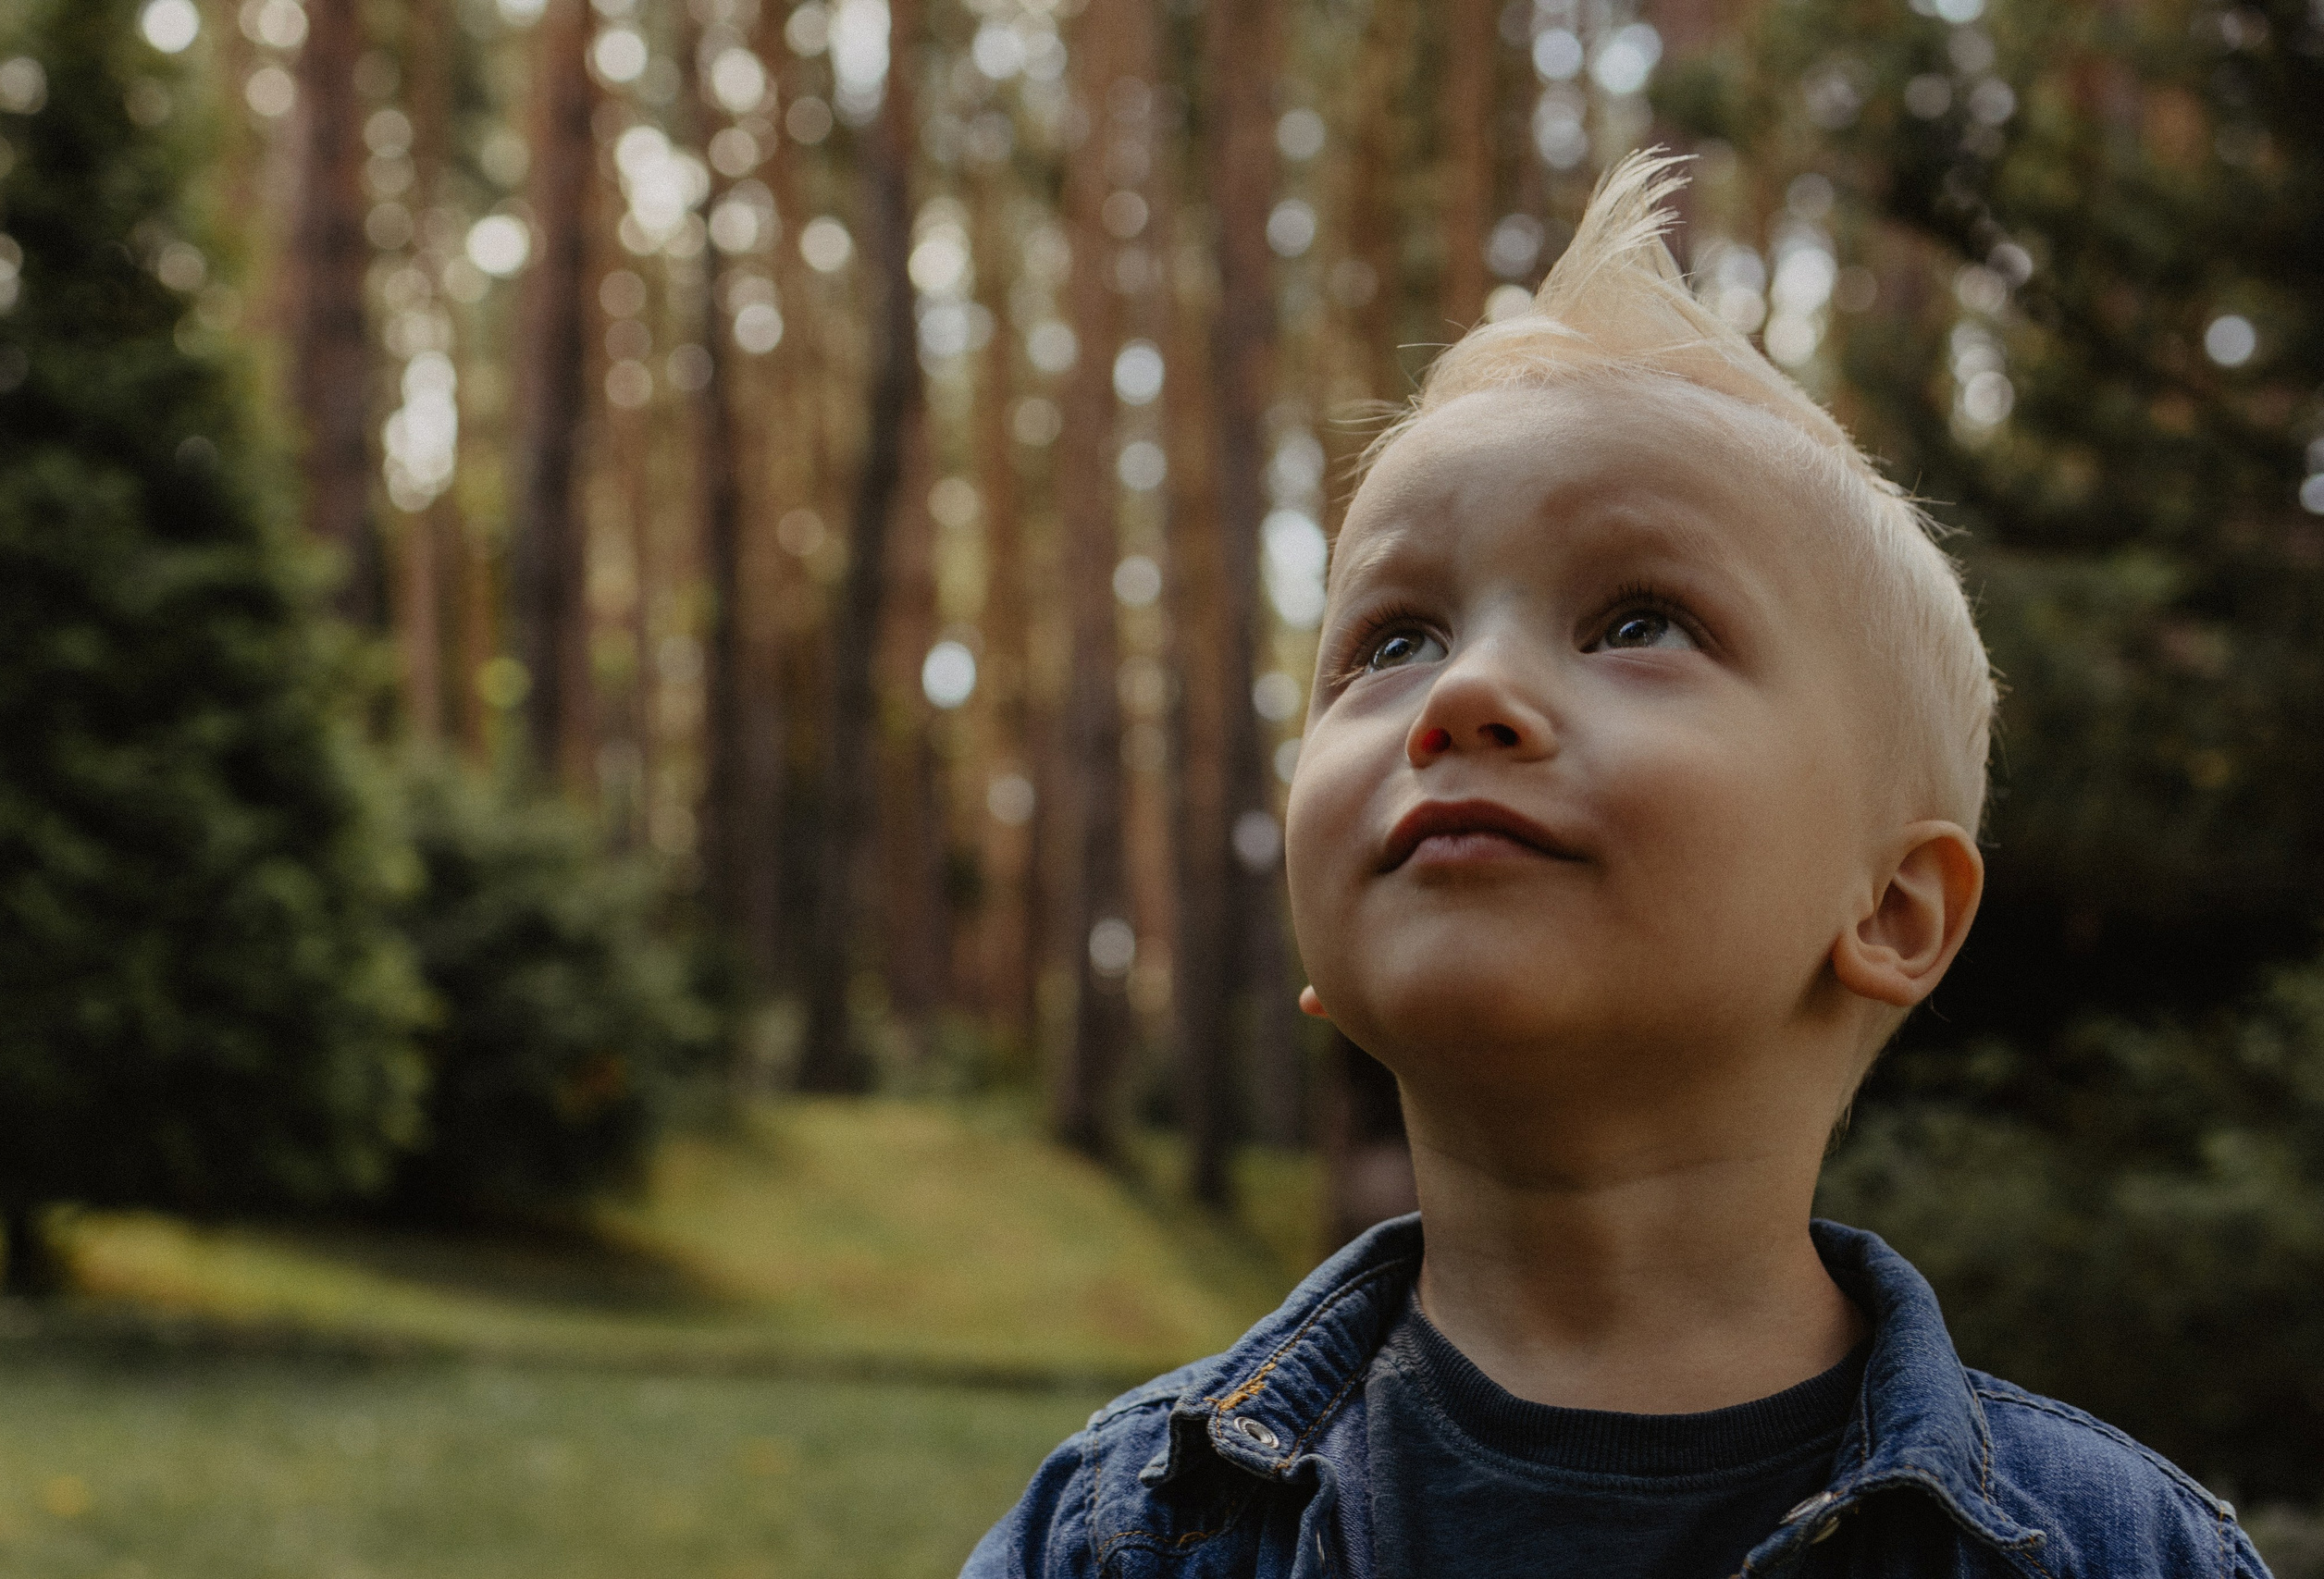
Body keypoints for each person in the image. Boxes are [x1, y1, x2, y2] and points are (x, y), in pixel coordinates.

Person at [962, 152, 2271, 1579]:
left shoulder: (2122, 1553)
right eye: (1394, 640)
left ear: (1894, 911)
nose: (1466, 691)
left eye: (1638, 623)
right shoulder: (1119, 1537)